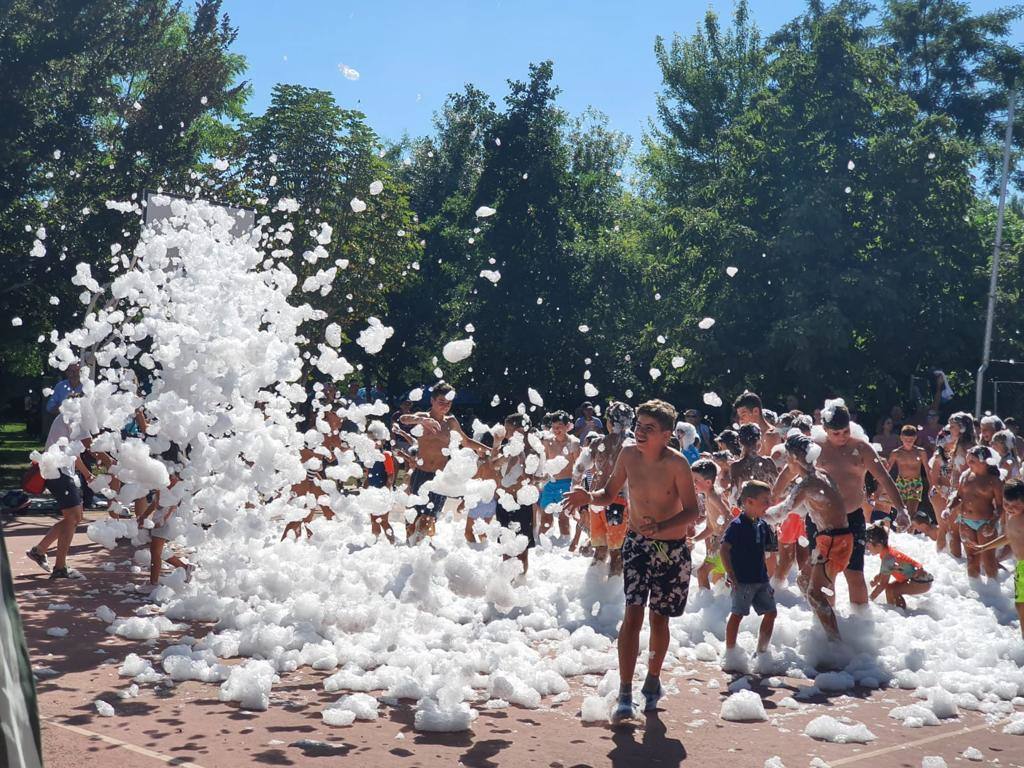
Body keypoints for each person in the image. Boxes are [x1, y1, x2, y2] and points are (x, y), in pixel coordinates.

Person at [564, 399, 700, 723]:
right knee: (632, 613)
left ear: (666, 435)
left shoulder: (677, 464)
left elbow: (693, 511)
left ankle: (652, 681)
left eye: (648, 428)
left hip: (671, 549)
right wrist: (589, 498)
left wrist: (663, 527)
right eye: (638, 425)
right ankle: (625, 693)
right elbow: (609, 494)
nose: (639, 432)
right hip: (637, 543)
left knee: (659, 619)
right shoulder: (627, 454)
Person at [799, 400, 907, 608]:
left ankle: (861, 626)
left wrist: (901, 509)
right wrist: (778, 505)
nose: (842, 437)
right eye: (836, 433)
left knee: (854, 573)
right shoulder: (815, 448)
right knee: (824, 575)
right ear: (825, 430)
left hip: (852, 517)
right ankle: (826, 627)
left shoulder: (861, 449)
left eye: (845, 431)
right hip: (820, 519)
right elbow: (792, 475)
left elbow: (884, 479)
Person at [765, 433, 853, 640]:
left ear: (795, 459)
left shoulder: (808, 484)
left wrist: (754, 513)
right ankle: (824, 632)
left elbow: (780, 513)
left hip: (835, 541)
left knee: (814, 594)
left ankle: (836, 645)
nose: (786, 464)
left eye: (788, 459)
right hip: (833, 538)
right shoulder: (821, 475)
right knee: (804, 581)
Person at [398, 382, 491, 543]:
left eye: (448, 403)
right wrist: (421, 420)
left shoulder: (451, 422)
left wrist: (488, 449)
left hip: (440, 478)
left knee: (427, 520)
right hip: (420, 474)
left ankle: (421, 544)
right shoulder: (423, 418)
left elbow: (466, 441)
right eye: (441, 402)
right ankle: (412, 549)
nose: (445, 406)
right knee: (412, 522)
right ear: (432, 401)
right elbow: (403, 419)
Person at [25, 399, 94, 579]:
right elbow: (89, 443)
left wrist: (86, 474)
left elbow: (75, 452)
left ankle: (40, 551)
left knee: (74, 517)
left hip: (62, 472)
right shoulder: (73, 416)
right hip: (58, 472)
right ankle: (59, 566)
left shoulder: (71, 417)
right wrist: (110, 460)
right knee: (72, 517)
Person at [571, 402, 635, 575]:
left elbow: (579, 469)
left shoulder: (599, 443)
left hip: (595, 500)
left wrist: (574, 492)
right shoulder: (632, 446)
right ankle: (611, 595)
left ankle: (593, 592)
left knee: (599, 550)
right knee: (616, 552)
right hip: (618, 500)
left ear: (609, 422)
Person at [720, 481, 777, 663]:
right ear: (749, 502)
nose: (768, 505)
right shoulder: (737, 525)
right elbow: (724, 549)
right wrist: (731, 574)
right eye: (765, 501)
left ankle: (762, 652)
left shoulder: (762, 524)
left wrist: (768, 578)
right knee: (737, 615)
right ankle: (730, 654)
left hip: (760, 578)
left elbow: (767, 552)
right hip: (742, 579)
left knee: (771, 612)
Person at [965, 478, 1024, 638]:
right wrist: (984, 547)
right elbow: (1008, 536)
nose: (1011, 509)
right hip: (1021, 567)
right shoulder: (1010, 517)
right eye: (1007, 505)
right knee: (1020, 604)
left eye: (1016, 505)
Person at [944, 445, 1004, 580]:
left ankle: (994, 593)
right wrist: (949, 507)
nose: (968, 462)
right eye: (968, 459)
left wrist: (992, 523)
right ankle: (976, 590)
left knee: (988, 559)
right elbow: (958, 496)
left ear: (984, 461)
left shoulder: (994, 481)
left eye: (972, 460)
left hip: (985, 522)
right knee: (971, 558)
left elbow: (1001, 507)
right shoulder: (966, 476)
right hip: (965, 521)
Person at [865, 523, 932, 609]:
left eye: (868, 545)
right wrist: (875, 580)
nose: (867, 548)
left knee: (893, 590)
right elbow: (884, 573)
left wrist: (869, 601)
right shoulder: (887, 553)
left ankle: (900, 612)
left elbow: (883, 584)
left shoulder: (888, 558)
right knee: (890, 589)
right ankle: (894, 610)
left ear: (878, 545)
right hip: (921, 579)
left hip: (921, 582)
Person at [538, 411, 580, 537]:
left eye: (559, 426)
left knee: (563, 519)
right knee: (545, 518)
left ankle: (564, 547)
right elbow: (542, 462)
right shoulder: (547, 441)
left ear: (567, 426)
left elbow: (578, 468)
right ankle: (542, 550)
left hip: (566, 483)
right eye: (554, 427)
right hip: (550, 484)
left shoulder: (573, 443)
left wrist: (576, 487)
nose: (556, 430)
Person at [691, 459, 731, 590]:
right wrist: (693, 540)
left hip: (724, 543)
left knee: (702, 572)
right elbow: (710, 528)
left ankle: (705, 606)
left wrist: (717, 542)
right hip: (721, 542)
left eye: (695, 480)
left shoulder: (714, 496)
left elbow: (729, 517)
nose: (693, 483)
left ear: (708, 482)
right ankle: (718, 606)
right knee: (718, 581)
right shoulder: (708, 496)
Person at [886, 425, 929, 519]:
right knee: (901, 512)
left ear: (915, 438)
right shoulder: (896, 453)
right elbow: (886, 470)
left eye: (911, 440)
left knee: (911, 513)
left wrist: (932, 485)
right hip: (901, 482)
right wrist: (880, 486)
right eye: (906, 439)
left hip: (916, 483)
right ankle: (900, 532)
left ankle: (910, 532)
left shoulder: (921, 452)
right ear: (901, 438)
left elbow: (927, 469)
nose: (908, 442)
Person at [365, 421, 397, 544]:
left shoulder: (386, 456)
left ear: (383, 441)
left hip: (383, 491)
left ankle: (392, 542)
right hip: (372, 492)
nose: (373, 442)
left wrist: (387, 489)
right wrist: (366, 483)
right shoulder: (370, 456)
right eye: (371, 440)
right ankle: (375, 542)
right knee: (373, 519)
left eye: (375, 440)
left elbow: (391, 474)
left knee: (383, 520)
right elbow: (369, 474)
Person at [733, 391, 781, 455]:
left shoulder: (771, 435)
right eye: (739, 416)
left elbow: (771, 464)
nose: (741, 420)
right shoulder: (748, 436)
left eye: (743, 415)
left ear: (756, 411)